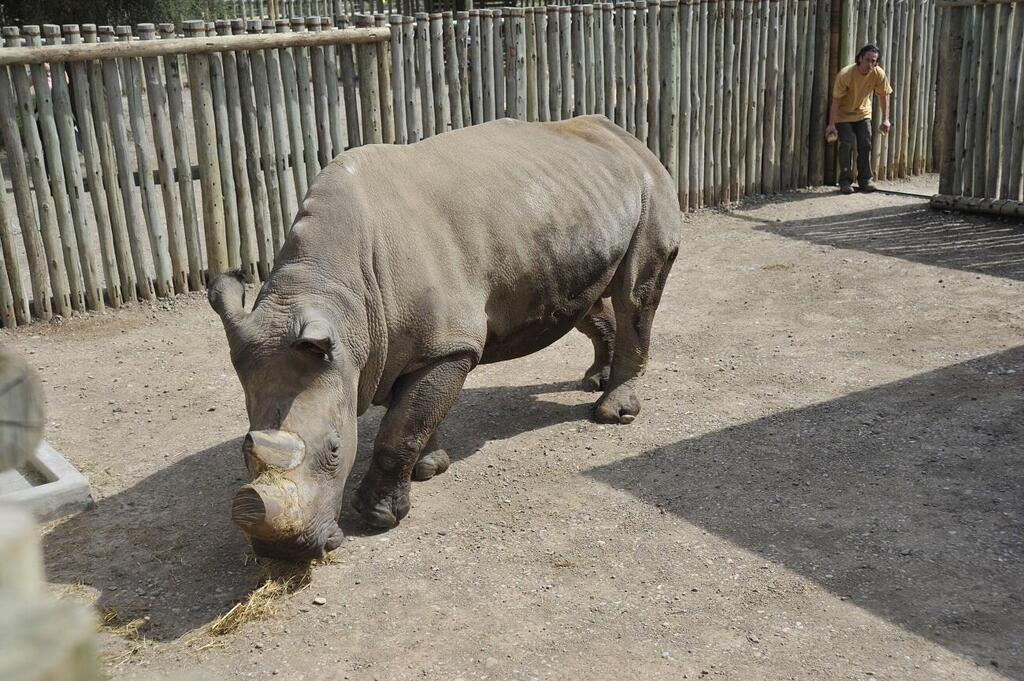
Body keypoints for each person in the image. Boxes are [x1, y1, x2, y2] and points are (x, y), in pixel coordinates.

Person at [826, 44, 893, 194]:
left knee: (865, 144)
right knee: (846, 143)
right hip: (843, 114)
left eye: (873, 60)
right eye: (867, 59)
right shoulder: (846, 75)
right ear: (860, 58)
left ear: (876, 62)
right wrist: (831, 124)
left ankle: (865, 180)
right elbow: (835, 101)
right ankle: (845, 181)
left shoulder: (878, 73)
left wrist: (886, 119)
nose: (870, 64)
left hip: (863, 113)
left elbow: (883, 96)